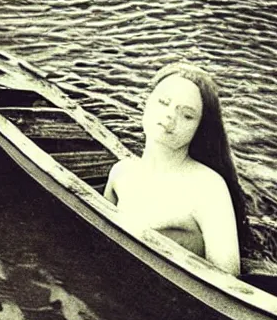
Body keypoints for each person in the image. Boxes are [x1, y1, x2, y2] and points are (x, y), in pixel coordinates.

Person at [104, 63, 248, 275]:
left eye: (187, 115)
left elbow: (227, 279)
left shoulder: (208, 187)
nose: (170, 116)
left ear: (199, 128)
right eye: (163, 102)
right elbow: (100, 239)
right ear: (146, 104)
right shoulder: (121, 172)